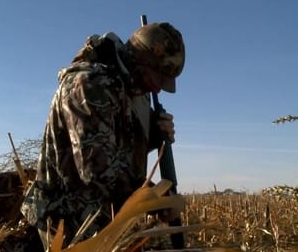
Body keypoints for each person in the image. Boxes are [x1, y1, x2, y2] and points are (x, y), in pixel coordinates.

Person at [21, 22, 185, 250]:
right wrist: (156, 198)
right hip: (67, 219)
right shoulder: (89, 84)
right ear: (139, 61)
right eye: (156, 78)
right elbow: (97, 170)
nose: (158, 89)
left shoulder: (130, 90)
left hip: (104, 214)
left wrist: (155, 136)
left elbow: (122, 150)